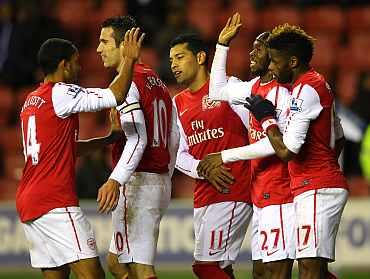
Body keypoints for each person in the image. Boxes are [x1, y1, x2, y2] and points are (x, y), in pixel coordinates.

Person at [16, 30, 144, 279]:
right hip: (54, 201)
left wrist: (107, 139)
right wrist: (129, 59)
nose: (80, 66)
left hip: (29, 201)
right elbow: (115, 95)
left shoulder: (30, 101)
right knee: (94, 275)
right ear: (64, 65)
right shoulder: (61, 92)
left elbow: (65, 149)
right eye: (75, 61)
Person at [244, 23, 348, 279]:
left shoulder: (306, 90)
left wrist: (266, 119)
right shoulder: (312, 85)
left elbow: (288, 150)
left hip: (316, 188)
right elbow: (340, 137)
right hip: (312, 185)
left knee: (309, 268)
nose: (270, 67)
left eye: (275, 62)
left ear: (292, 61)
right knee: (315, 268)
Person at [197, 13, 295, 279]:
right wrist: (222, 46)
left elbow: (276, 145)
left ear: (273, 57)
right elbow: (216, 91)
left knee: (277, 272)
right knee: (261, 274)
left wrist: (225, 156)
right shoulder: (252, 88)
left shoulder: (283, 94)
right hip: (260, 194)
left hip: (282, 193)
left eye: (259, 48)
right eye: (251, 47)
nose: (252, 53)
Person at [96, 16, 179, 279]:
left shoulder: (126, 84)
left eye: (104, 41)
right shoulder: (159, 83)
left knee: (141, 268)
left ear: (124, 45)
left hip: (138, 182)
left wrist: (115, 179)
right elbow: (174, 134)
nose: (98, 49)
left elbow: (139, 138)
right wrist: (165, 173)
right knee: (116, 262)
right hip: (156, 179)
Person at [169, 33, 252, 279]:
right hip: (204, 193)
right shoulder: (178, 103)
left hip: (233, 187)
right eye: (171, 59)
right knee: (221, 268)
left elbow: (255, 131)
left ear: (201, 57)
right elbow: (178, 154)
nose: (173, 64)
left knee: (204, 266)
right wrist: (204, 169)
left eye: (180, 57)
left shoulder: (229, 88)